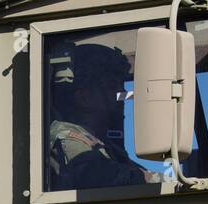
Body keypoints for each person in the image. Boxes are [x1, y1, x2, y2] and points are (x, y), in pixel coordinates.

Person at [48, 42, 162, 190]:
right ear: (84, 98)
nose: (122, 93)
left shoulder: (106, 147)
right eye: (112, 86)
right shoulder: (67, 137)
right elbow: (101, 177)